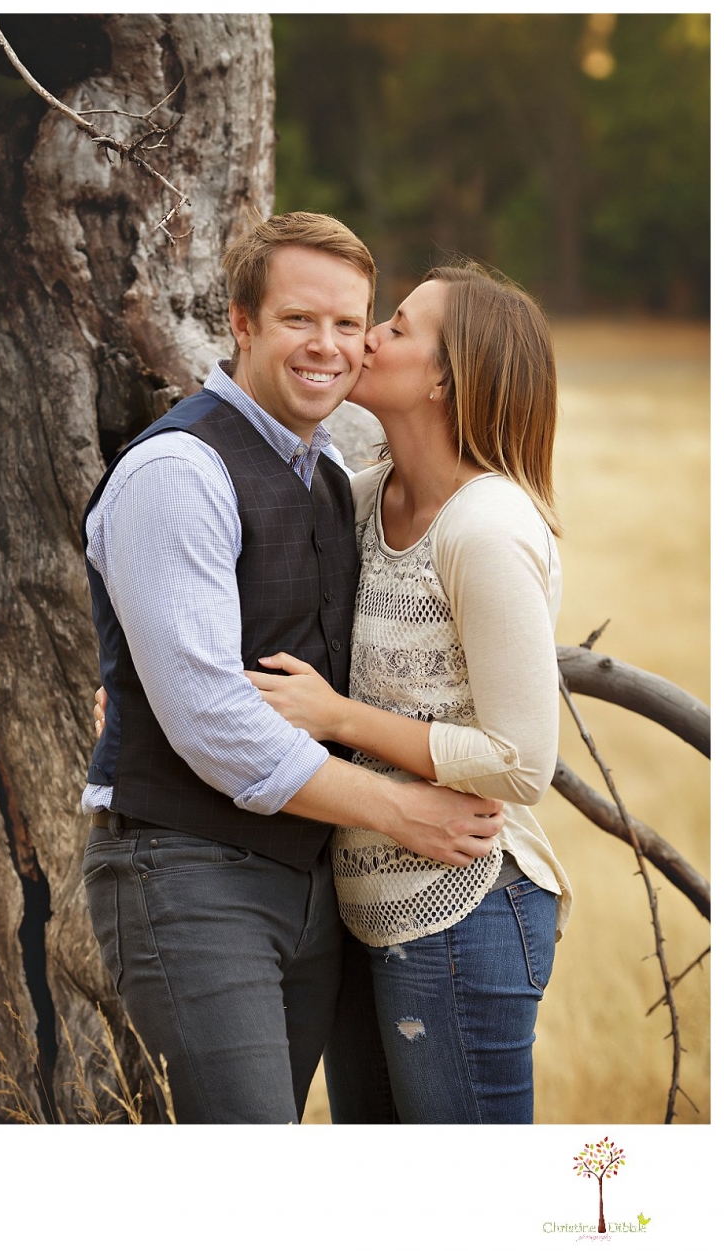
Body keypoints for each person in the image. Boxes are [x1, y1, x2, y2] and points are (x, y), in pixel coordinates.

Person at [81, 212, 503, 1125]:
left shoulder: (325, 476)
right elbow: (213, 721)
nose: (329, 346)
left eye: (350, 324)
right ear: (240, 322)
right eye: (298, 320)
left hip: (311, 883)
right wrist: (403, 810)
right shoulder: (179, 470)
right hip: (185, 868)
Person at [245, 260, 572, 1123]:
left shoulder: (488, 528)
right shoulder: (358, 501)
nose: (368, 336)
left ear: (444, 379)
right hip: (362, 908)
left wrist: (341, 717)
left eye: (395, 324)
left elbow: (522, 762)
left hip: (468, 908)